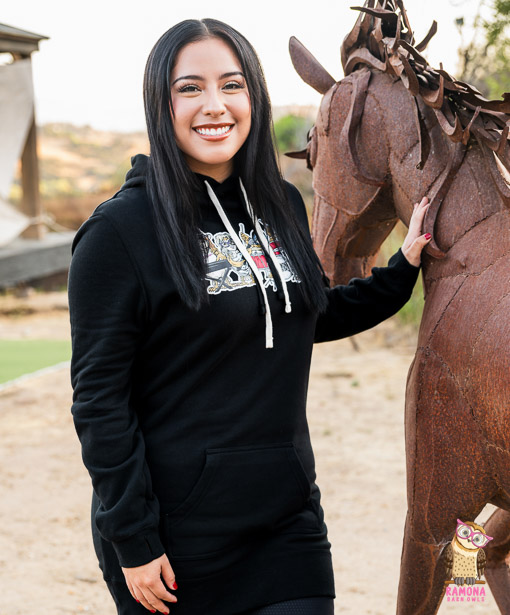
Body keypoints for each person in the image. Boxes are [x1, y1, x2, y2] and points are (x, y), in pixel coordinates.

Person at [67, 17, 431, 615]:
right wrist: (131, 537)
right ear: (161, 102)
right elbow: (99, 402)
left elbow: (304, 315)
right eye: (190, 88)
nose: (214, 105)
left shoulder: (281, 205)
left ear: (253, 99)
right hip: (175, 540)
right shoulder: (118, 233)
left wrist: (404, 266)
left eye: (231, 85)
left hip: (287, 523)